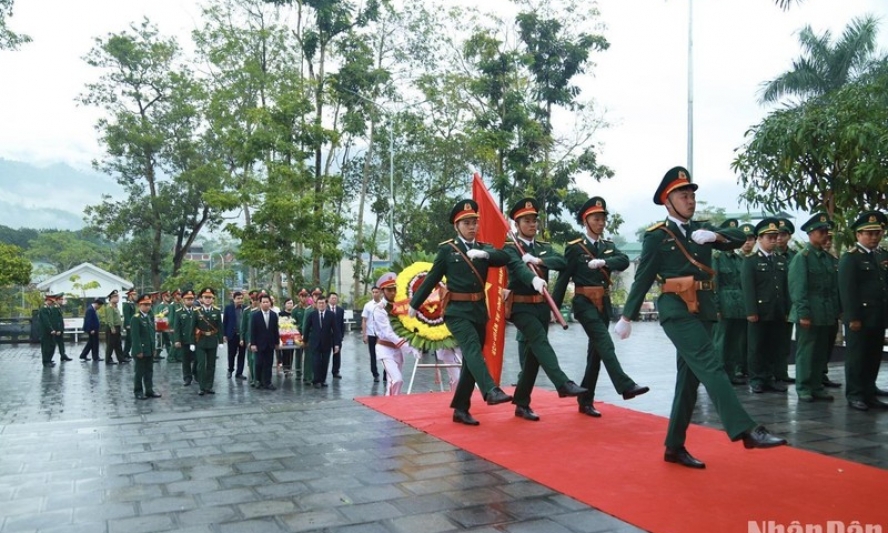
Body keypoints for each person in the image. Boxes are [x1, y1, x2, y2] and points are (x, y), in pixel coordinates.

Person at [616, 166, 785, 469]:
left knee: (689, 380)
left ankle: (674, 446)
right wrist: (627, 316)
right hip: (675, 308)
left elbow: (741, 236)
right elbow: (642, 277)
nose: (690, 200)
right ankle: (746, 429)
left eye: (692, 194)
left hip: (704, 308)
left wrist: (715, 235)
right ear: (668, 202)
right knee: (710, 362)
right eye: (683, 195)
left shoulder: (703, 230)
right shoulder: (657, 236)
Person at [409, 198, 543, 426]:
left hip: (479, 311)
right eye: (467, 223)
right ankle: (490, 390)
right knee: (471, 348)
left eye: (474, 222)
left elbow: (504, 257)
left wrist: (486, 255)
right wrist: (414, 305)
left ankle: (460, 408)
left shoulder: (483, 248)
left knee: (471, 361)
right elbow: (431, 279)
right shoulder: (448, 250)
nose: (472, 227)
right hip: (456, 312)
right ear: (457, 226)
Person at [552, 196, 648, 419]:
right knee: (604, 341)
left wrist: (605, 262)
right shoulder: (575, 248)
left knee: (596, 353)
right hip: (584, 302)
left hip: (603, 303)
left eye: (603, 218)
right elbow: (564, 279)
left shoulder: (608, 247)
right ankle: (624, 385)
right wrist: (553, 309)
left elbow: (623, 261)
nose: (601, 223)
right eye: (596, 218)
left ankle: (585, 400)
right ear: (586, 221)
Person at [503, 197, 587, 422]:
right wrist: (532, 277)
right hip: (521, 307)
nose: (532, 225)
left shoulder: (543, 248)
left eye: (534, 220)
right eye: (527, 221)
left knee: (533, 358)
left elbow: (560, 262)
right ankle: (562, 383)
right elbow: (520, 271)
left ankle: (521, 403)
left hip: (540, 307)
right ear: (517, 224)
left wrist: (539, 261)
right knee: (540, 341)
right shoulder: (511, 248)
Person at [838, 210, 888, 411]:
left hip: (878, 315)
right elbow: (848, 291)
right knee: (857, 357)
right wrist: (852, 317)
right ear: (858, 235)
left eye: (877, 233)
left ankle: (869, 391)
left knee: (873, 355)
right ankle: (855, 394)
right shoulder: (850, 258)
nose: (874, 237)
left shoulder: (880, 256)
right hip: (860, 317)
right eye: (868, 233)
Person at [788, 213, 840, 403]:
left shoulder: (827, 258)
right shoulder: (803, 257)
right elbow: (798, 288)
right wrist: (803, 313)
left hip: (826, 311)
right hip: (810, 311)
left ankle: (817, 386)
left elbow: (834, 287)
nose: (825, 235)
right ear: (810, 233)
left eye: (826, 231)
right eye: (821, 231)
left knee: (821, 351)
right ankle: (803, 387)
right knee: (806, 351)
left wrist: (837, 309)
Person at [741, 218, 790, 394]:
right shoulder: (751, 261)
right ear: (759, 239)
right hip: (760, 311)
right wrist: (751, 311)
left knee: (774, 346)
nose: (773, 240)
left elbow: (785, 287)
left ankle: (770, 378)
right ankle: (756, 379)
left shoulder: (780, 260)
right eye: (769, 237)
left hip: (777, 310)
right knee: (756, 346)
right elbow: (748, 288)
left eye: (775, 236)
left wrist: (786, 309)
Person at [712, 220, 753, 385]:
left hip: (739, 306)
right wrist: (716, 307)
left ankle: (731, 372)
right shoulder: (717, 257)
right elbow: (714, 283)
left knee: (735, 341)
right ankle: (719, 374)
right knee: (721, 341)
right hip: (724, 303)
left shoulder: (738, 259)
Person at [368, 273, 416, 395]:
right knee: (396, 380)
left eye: (395, 289)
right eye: (389, 290)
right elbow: (388, 332)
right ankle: (391, 404)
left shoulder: (401, 306)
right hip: (385, 348)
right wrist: (408, 347)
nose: (393, 292)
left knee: (395, 381)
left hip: (397, 349)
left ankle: (394, 404)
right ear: (383, 291)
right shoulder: (379, 309)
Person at [774, 218, 797, 383]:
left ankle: (782, 372)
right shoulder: (769, 255)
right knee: (768, 341)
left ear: (789, 236)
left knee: (784, 342)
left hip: (790, 304)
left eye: (783, 234)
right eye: (777, 235)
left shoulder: (795, 256)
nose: (779, 238)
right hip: (772, 305)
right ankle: (768, 374)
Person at [302, 294, 342, 388]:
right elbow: (307, 329)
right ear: (316, 304)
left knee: (325, 362)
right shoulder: (312, 315)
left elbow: (336, 330)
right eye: (319, 303)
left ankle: (323, 380)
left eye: (323, 303)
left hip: (327, 342)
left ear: (326, 303)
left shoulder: (331, 315)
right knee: (316, 362)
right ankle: (316, 381)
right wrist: (305, 341)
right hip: (314, 343)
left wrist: (337, 344)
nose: (321, 305)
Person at [130, 293, 161, 400]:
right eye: (145, 305)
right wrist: (138, 350)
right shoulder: (136, 318)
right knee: (139, 372)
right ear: (139, 305)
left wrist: (154, 348)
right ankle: (138, 391)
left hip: (149, 349)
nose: (148, 307)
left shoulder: (149, 317)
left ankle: (149, 390)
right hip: (140, 350)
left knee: (149, 371)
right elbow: (135, 336)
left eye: (149, 304)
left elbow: (152, 334)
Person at [194, 287, 223, 396]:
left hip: (212, 340)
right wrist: (192, 342)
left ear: (213, 299)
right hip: (200, 340)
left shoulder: (216, 311)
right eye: (205, 297)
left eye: (210, 297)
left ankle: (209, 386)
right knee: (201, 365)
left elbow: (220, 327)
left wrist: (220, 341)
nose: (207, 299)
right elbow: (192, 327)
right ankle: (201, 387)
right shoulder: (196, 311)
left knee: (211, 365)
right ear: (201, 299)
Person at [250, 294, 281, 390]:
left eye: (267, 302)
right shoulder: (255, 315)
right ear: (260, 304)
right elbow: (252, 331)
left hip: (270, 344)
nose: (265, 304)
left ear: (270, 303)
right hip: (259, 344)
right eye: (263, 302)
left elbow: (275, 330)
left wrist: (276, 343)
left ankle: (268, 382)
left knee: (269, 364)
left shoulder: (274, 315)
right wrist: (253, 343)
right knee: (258, 363)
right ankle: (258, 381)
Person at [172, 289, 198, 386]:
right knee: (185, 360)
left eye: (191, 299)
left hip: (196, 339)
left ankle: (196, 373)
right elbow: (177, 328)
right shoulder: (179, 312)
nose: (190, 301)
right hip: (184, 339)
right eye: (188, 299)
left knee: (197, 358)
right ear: (183, 300)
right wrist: (177, 340)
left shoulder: (197, 311)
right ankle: (187, 377)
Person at [38, 293, 68, 367]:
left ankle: (49, 360)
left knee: (51, 346)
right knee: (46, 347)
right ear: (48, 300)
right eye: (51, 301)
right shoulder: (44, 309)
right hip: (45, 331)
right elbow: (46, 321)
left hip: (50, 331)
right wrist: (51, 329)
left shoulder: (48, 308)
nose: (52, 302)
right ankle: (46, 361)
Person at [361, 286, 383, 382]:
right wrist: (364, 334)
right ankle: (375, 374)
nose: (374, 294)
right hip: (371, 334)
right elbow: (364, 320)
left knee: (384, 355)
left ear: (380, 293)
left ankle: (387, 374)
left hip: (382, 335)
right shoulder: (368, 305)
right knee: (373, 355)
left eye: (376, 292)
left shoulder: (385, 304)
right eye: (373, 292)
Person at [223, 291, 246, 379]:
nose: (240, 300)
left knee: (242, 354)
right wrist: (224, 335)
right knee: (231, 354)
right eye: (238, 299)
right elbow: (225, 322)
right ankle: (230, 370)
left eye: (241, 298)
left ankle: (239, 372)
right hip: (232, 335)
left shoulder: (245, 308)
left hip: (242, 336)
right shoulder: (228, 308)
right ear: (234, 299)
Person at [102, 289, 127, 365]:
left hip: (117, 327)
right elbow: (110, 319)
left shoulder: (115, 306)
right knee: (110, 344)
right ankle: (108, 359)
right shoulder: (109, 307)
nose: (117, 298)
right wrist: (112, 327)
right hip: (112, 328)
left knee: (118, 344)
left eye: (118, 297)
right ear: (111, 298)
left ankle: (121, 358)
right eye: (115, 297)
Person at [240, 290, 259, 386]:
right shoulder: (246, 311)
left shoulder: (261, 310)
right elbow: (243, 326)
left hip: (260, 338)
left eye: (256, 299)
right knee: (251, 359)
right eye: (253, 299)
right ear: (250, 299)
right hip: (249, 338)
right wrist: (242, 338)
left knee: (259, 359)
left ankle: (259, 378)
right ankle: (253, 378)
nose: (255, 301)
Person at [78, 297, 105, 362]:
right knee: (94, 343)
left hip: (94, 329)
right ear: (96, 304)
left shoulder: (92, 309)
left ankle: (83, 355)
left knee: (91, 343)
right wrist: (91, 330)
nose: (99, 308)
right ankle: (95, 357)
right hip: (92, 330)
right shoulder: (90, 310)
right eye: (99, 306)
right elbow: (88, 321)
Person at [292, 289, 310, 377]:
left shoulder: (310, 308)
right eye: (302, 296)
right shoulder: (295, 309)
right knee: (298, 353)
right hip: (298, 334)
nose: (304, 298)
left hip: (309, 334)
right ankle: (298, 372)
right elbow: (292, 323)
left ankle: (308, 372)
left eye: (306, 296)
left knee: (309, 354)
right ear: (299, 297)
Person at [328, 292, 346, 379]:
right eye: (332, 298)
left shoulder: (340, 310)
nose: (334, 300)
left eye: (335, 298)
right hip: (327, 335)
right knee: (325, 354)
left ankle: (336, 371)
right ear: (328, 299)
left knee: (337, 353)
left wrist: (341, 336)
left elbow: (342, 324)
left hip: (337, 335)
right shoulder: (325, 308)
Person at [279, 298, 295, 376]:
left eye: (291, 303)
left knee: (291, 352)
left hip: (292, 336)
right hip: (283, 336)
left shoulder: (294, 313)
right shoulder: (280, 314)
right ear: (285, 304)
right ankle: (285, 368)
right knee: (285, 352)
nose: (290, 304)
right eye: (288, 303)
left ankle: (289, 368)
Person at [122, 288, 137, 360]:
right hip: (129, 325)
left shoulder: (132, 304)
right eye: (134, 294)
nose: (135, 296)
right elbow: (126, 315)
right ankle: (125, 353)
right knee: (129, 339)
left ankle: (126, 353)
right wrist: (128, 324)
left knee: (129, 340)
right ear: (130, 295)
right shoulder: (127, 304)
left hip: (132, 324)